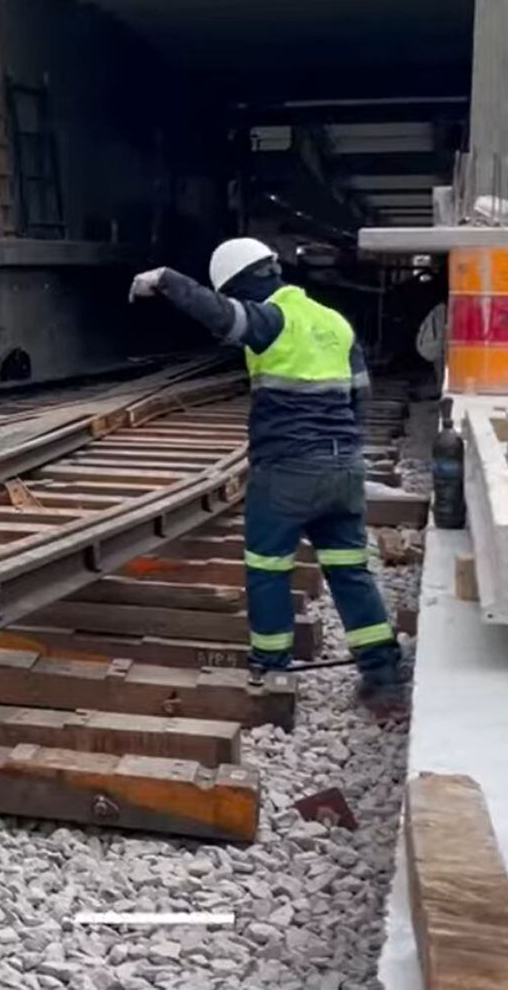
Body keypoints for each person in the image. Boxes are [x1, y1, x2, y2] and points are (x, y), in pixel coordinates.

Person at [129, 238, 407, 710]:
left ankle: (272, 670)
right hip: (342, 468)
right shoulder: (334, 323)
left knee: (268, 569)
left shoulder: (271, 321)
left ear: (242, 285)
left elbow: (220, 314)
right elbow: (360, 394)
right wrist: (345, 453)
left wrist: (165, 280)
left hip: (286, 471)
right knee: (349, 570)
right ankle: (383, 675)